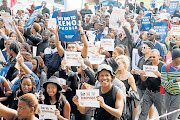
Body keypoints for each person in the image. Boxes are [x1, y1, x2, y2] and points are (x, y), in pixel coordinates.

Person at [139, 49, 166, 120]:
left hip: (160, 93)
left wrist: (159, 75)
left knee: (162, 114)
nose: (152, 59)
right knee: (143, 112)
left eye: (154, 57)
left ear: (158, 56)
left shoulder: (163, 66)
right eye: (150, 57)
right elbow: (144, 80)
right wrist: (142, 76)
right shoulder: (148, 65)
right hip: (148, 91)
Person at [115, 55, 138, 120]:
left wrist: (126, 95)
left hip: (125, 102)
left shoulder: (129, 76)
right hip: (114, 100)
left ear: (124, 64)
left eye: (119, 63)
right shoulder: (114, 74)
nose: (117, 65)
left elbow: (135, 92)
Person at [161, 45, 180, 120]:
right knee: (168, 115)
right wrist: (176, 80)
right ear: (175, 58)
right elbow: (164, 84)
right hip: (167, 95)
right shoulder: (165, 67)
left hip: (178, 96)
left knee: (172, 118)